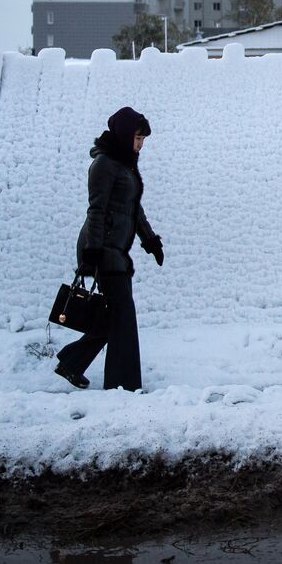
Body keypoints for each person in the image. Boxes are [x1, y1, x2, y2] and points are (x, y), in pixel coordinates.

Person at [54, 107, 164, 391]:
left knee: (113, 314)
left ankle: (72, 362)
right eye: (138, 138)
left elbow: (133, 208)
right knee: (123, 314)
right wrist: (92, 253)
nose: (140, 145)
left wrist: (150, 241)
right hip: (101, 247)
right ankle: (123, 385)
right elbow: (96, 210)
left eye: (143, 140)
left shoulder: (124, 164)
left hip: (114, 248)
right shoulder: (104, 164)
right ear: (125, 134)